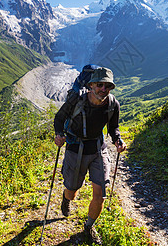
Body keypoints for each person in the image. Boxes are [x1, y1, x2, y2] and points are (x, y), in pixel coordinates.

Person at [54, 67, 126, 244]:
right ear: (91, 85)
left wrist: (117, 140)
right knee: (72, 190)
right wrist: (58, 134)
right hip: (74, 147)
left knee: (100, 193)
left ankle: (88, 227)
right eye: (100, 85)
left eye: (107, 86)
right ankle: (66, 198)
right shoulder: (76, 100)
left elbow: (113, 128)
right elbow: (59, 117)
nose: (104, 89)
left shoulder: (112, 104)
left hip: (97, 149)